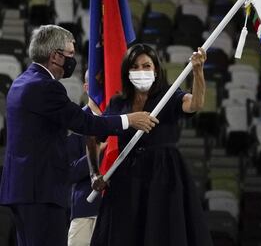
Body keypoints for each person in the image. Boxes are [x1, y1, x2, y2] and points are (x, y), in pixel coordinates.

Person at [0, 25, 159, 246]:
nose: (72, 61)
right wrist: (129, 120)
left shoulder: (21, 82)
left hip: (24, 190)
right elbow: (85, 122)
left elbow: (49, 136)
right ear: (55, 56)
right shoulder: (45, 87)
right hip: (40, 192)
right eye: (70, 55)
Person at [88, 43, 213, 246]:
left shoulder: (169, 96)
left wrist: (198, 72)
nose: (141, 71)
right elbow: (93, 136)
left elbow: (195, 104)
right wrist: (94, 173)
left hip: (164, 178)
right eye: (135, 67)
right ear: (127, 71)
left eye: (146, 66)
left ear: (156, 69)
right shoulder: (118, 103)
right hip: (126, 180)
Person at [67, 70, 105, 246]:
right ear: (86, 87)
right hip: (86, 209)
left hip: (118, 208)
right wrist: (98, 150)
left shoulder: (124, 119)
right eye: (98, 82)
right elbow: (70, 171)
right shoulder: (76, 122)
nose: (103, 86)